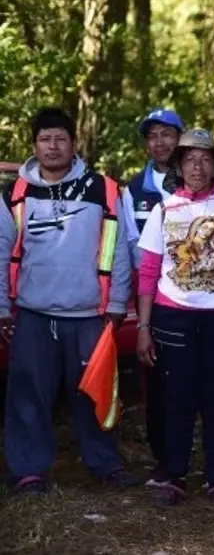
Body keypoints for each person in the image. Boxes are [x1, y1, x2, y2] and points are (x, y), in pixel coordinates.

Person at [0, 107, 136, 493]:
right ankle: (28, 469)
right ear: (34, 146)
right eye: (45, 139)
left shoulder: (102, 189)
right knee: (28, 394)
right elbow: (1, 249)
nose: (53, 146)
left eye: (61, 138)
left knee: (95, 394)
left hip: (89, 314)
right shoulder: (15, 194)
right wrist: (1, 307)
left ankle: (104, 464)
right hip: (33, 314)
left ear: (73, 143)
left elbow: (120, 249)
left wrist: (115, 305)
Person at [135, 129, 214, 507]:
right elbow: (149, 272)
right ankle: (176, 475)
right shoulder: (163, 210)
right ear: (179, 165)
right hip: (172, 316)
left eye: (205, 159)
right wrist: (143, 327)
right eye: (189, 159)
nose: (197, 166)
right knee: (177, 399)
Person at [122, 108, 185, 487]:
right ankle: (163, 460)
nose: (159, 142)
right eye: (152, 136)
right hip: (156, 300)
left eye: (167, 134)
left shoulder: (203, 178)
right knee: (157, 385)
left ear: (181, 138)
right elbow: (132, 245)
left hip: (203, 300)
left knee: (201, 382)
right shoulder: (133, 190)